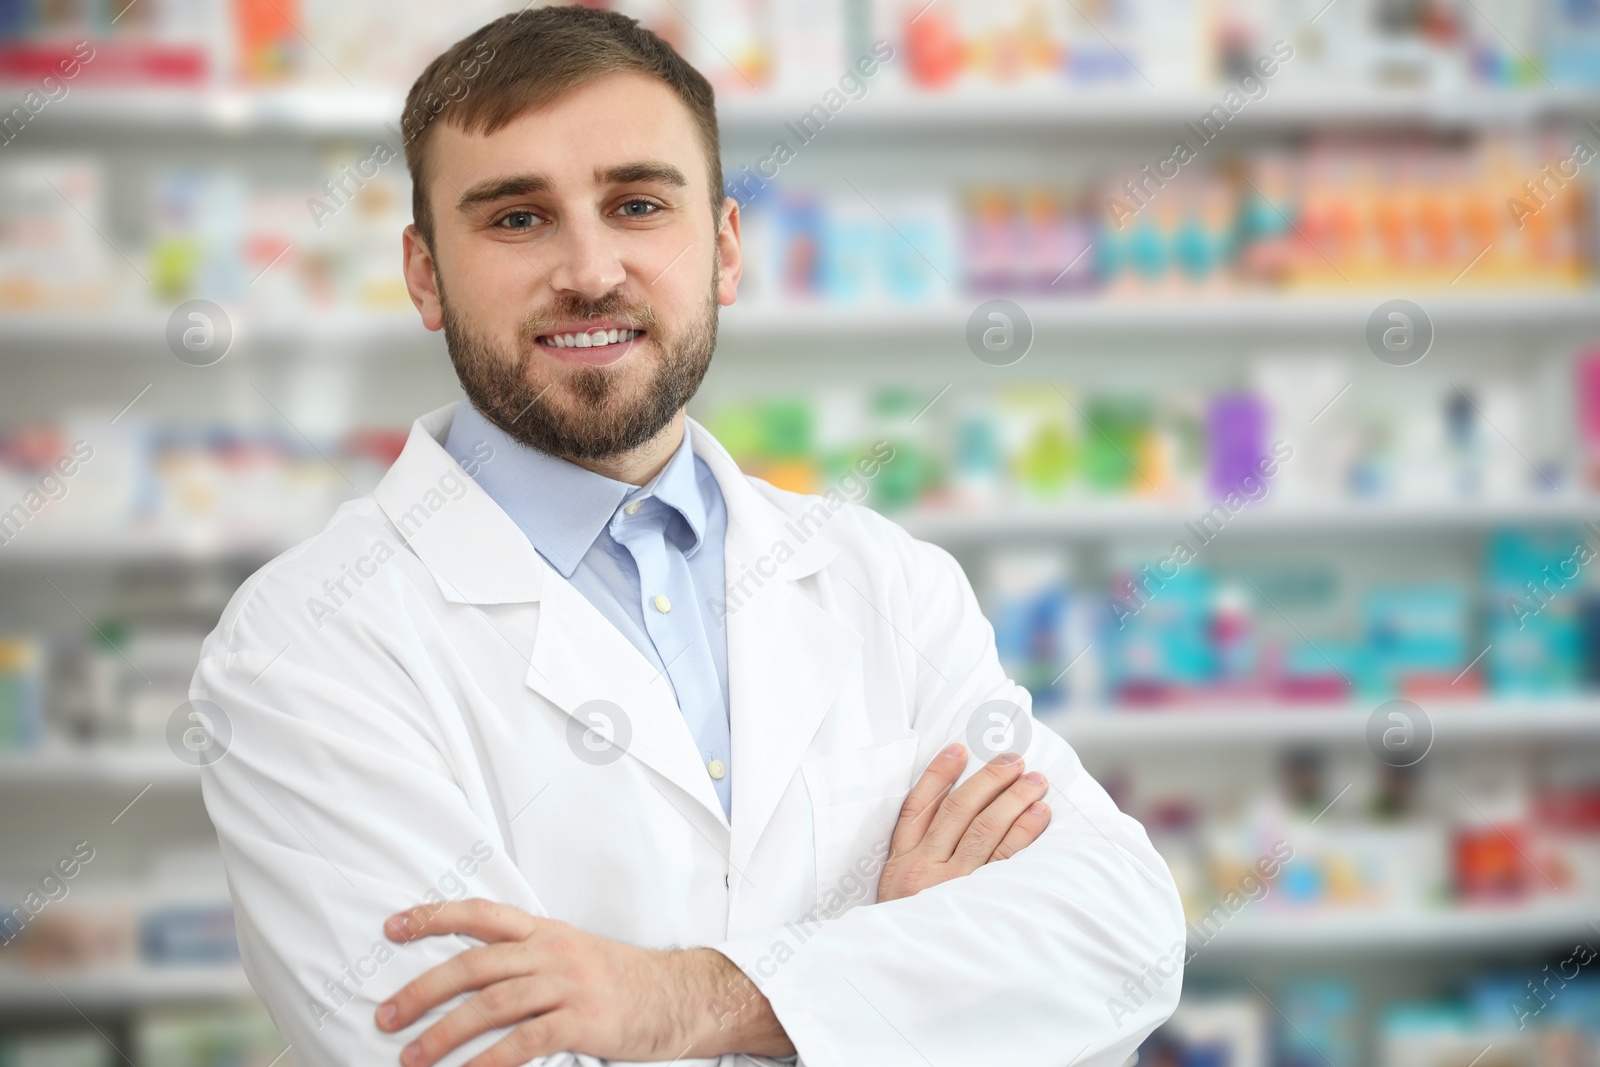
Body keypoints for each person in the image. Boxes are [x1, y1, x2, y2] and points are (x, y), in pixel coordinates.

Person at [190, 7, 1184, 1065]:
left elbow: (1123, 936)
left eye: (635, 204)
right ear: (426, 274)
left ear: (721, 249)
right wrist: (896, 978)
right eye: (516, 218)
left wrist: (681, 999)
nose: (589, 269)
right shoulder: (308, 645)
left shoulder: (884, 579)